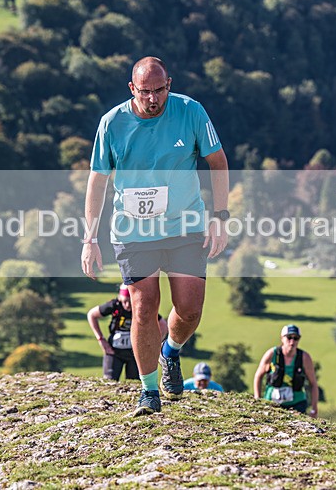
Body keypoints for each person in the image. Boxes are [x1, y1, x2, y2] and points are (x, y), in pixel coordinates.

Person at [81, 56, 229, 416]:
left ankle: (171, 352)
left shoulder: (191, 112)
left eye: (159, 90)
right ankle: (149, 392)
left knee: (189, 309)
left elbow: (218, 162)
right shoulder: (111, 124)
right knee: (144, 307)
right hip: (134, 231)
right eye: (144, 92)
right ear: (132, 88)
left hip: (184, 225)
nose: (152, 99)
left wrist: (220, 217)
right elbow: (97, 180)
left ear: (169, 85)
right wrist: (90, 238)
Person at [87, 284, 168, 381]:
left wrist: (153, 345)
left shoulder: (141, 308)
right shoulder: (115, 305)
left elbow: (163, 325)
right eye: (124, 301)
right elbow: (91, 315)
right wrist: (101, 339)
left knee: (135, 382)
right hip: (114, 351)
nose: (127, 305)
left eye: (130, 302)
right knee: (109, 380)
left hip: (135, 354)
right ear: (120, 298)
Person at [253, 325, 318, 416]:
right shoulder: (272, 354)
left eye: (296, 338)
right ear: (282, 338)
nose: (292, 342)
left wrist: (314, 408)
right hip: (271, 402)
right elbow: (258, 376)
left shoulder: (304, 357)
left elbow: (313, 383)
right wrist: (257, 399)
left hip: (297, 404)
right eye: (289, 337)